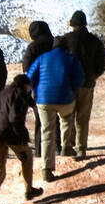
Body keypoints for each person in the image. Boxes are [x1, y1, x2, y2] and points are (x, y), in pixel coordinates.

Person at [27, 37, 85, 181]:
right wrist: (72, 89)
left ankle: (46, 169)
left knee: (47, 132)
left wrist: (36, 90)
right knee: (66, 119)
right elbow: (80, 77)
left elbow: (30, 76)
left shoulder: (42, 58)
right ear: (66, 47)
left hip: (44, 99)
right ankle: (66, 146)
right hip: (65, 98)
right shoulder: (71, 59)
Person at [0, 74, 44, 204]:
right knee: (27, 156)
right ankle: (28, 190)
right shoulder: (19, 94)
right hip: (9, 133)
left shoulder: (2, 93)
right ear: (25, 86)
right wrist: (23, 135)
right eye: (30, 88)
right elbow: (14, 118)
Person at [63, 10, 105, 161]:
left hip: (69, 85)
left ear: (72, 25)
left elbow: (58, 60)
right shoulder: (94, 40)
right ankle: (81, 149)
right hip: (87, 84)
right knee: (82, 118)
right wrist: (93, 75)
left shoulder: (66, 39)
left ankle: (66, 147)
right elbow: (103, 63)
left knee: (67, 116)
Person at [22, 20, 58, 154]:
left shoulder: (33, 47)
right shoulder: (56, 43)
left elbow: (27, 69)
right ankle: (58, 148)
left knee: (41, 120)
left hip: (40, 88)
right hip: (57, 86)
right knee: (57, 120)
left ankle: (39, 150)